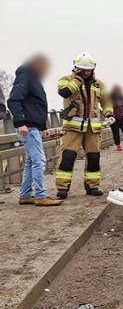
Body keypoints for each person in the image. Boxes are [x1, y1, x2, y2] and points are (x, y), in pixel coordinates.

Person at [55, 52, 115, 199]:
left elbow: (106, 101)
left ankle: (92, 186)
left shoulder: (98, 84)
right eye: (82, 70)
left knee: (94, 158)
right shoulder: (66, 80)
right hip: (72, 128)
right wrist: (77, 80)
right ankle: (62, 188)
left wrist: (109, 114)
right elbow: (64, 92)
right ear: (76, 68)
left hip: (92, 128)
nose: (86, 73)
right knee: (68, 157)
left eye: (88, 70)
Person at [7, 55, 63, 206]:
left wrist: (43, 126)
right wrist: (20, 122)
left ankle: (25, 195)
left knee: (31, 162)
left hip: (33, 127)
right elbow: (13, 100)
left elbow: (37, 105)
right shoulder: (25, 76)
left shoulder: (34, 79)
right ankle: (40, 195)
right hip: (28, 127)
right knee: (39, 161)